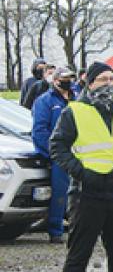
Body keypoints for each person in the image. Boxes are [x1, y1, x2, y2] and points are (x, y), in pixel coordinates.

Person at [50, 62, 113, 272]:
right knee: (79, 253)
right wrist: (80, 172)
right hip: (86, 193)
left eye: (111, 79)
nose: (108, 84)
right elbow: (58, 146)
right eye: (101, 80)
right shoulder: (75, 111)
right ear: (89, 83)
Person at [32, 67, 76, 243]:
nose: (68, 81)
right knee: (60, 192)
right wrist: (54, 153)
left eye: (70, 78)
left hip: (78, 152)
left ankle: (77, 226)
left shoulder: (76, 98)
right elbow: (40, 131)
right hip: (59, 154)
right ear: (55, 80)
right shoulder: (45, 101)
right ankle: (55, 230)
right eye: (65, 78)